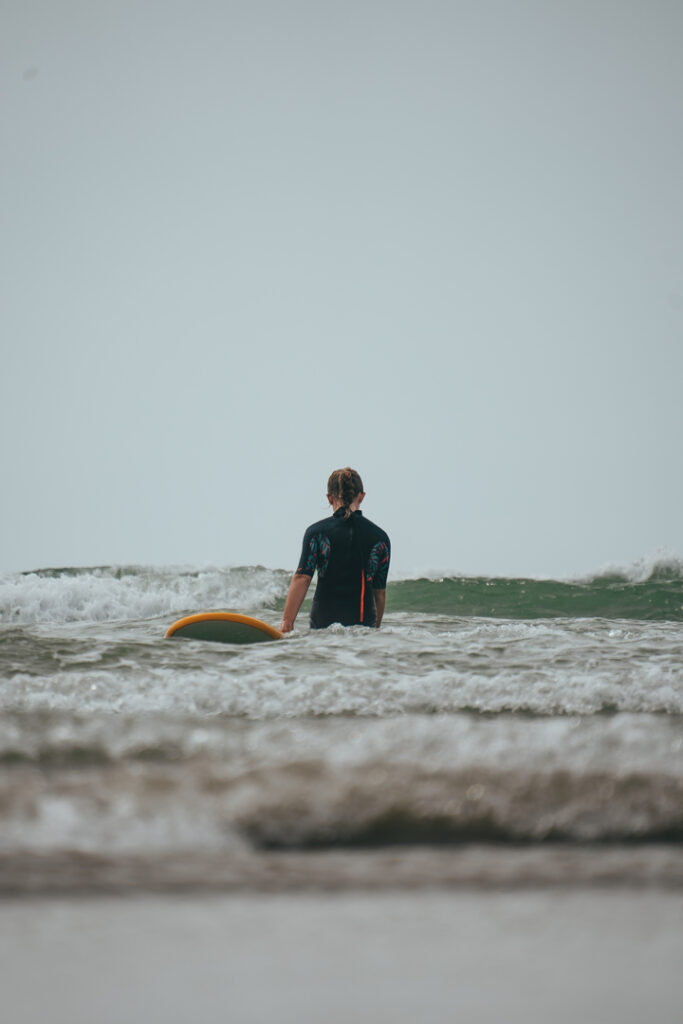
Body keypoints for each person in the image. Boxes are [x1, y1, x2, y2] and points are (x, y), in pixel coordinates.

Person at [279, 467, 391, 633]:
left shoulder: (316, 533)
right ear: (361, 497)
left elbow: (303, 578)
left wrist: (286, 624)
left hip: (324, 627)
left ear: (330, 498)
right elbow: (379, 593)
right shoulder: (380, 538)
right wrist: (375, 630)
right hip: (363, 628)